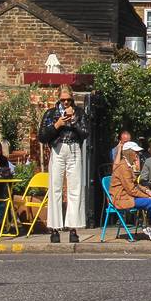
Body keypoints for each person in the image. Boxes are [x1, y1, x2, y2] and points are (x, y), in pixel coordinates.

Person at [38, 84, 88, 243]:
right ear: (58, 99)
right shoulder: (51, 114)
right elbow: (42, 136)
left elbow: (85, 133)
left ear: (72, 99)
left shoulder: (79, 113)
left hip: (74, 148)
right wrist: (57, 125)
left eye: (68, 100)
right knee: (55, 188)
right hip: (58, 149)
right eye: (63, 100)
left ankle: (73, 228)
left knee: (75, 188)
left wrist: (74, 122)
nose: (66, 103)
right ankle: (55, 228)